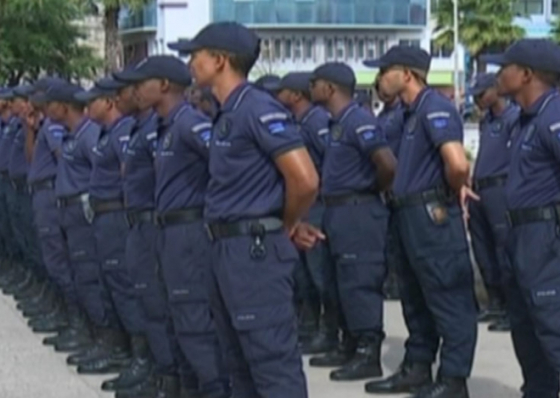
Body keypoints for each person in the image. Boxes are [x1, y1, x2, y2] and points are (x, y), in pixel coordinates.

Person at [178, 21, 317, 398]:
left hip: (253, 253)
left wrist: (285, 224)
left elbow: (304, 179)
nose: (190, 62)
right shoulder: (227, 112)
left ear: (220, 60)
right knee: (238, 366)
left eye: (197, 55)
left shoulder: (256, 107)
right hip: (227, 250)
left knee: (271, 362)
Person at [364, 45, 477, 398]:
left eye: (385, 70)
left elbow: (457, 164)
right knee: (415, 296)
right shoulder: (409, 114)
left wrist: (451, 190)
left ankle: (454, 379)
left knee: (448, 295)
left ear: (407, 74)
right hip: (407, 213)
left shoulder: (434, 108)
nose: (380, 78)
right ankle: (417, 367)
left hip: (431, 213)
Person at [118, 55, 231, 398]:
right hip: (167, 232)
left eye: (143, 82)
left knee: (194, 319)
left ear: (164, 85)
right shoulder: (166, 125)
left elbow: (225, 166)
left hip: (189, 230)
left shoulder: (189, 123)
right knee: (177, 318)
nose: (135, 90)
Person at [303, 62, 396, 382]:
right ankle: (348, 343)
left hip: (358, 210)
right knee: (337, 281)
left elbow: (386, 164)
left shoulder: (358, 120)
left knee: (359, 282)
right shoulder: (336, 123)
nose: (310, 87)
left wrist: (370, 190)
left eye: (314, 82)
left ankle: (367, 353)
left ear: (329, 88)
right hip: (336, 211)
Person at [484, 38, 560, 398]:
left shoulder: (554, 115)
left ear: (526, 74)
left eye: (505, 67)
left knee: (553, 327)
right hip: (520, 236)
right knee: (527, 333)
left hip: (545, 237)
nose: (497, 74)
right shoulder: (523, 120)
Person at [75, 78, 153, 390]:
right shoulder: (111, 133)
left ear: (107, 102)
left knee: (125, 285)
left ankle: (141, 357)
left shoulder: (122, 132)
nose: (86, 107)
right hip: (104, 215)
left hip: (118, 216)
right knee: (111, 283)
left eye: (92, 100)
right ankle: (121, 348)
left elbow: (129, 174)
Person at [46, 82, 129, 372]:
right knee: (84, 275)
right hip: (77, 210)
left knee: (95, 278)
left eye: (92, 100)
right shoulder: (78, 134)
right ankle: (97, 334)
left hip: (96, 213)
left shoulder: (90, 134)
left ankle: (111, 341)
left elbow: (112, 171)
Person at [275, 71, 335, 355]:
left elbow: (329, 159)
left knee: (320, 274)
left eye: (282, 91)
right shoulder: (298, 122)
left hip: (317, 204)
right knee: (304, 276)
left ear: (295, 95)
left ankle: (330, 331)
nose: (277, 96)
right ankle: (311, 327)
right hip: (303, 207)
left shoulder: (317, 121)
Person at [469, 73, 518, 333]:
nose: (478, 100)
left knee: (503, 249)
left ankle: (511, 308)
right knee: (483, 248)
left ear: (495, 91)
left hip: (500, 187)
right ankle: (495, 302)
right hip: (481, 189)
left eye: (481, 94)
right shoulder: (486, 121)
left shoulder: (512, 117)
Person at [373, 75, 405, 302]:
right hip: (384, 184)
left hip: (401, 180)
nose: (381, 92)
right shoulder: (381, 117)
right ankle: (390, 281)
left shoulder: (403, 114)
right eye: (378, 88)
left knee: (402, 237)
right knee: (388, 239)